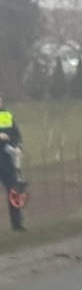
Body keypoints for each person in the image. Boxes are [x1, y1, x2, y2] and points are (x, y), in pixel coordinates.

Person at [0, 92, 25, 231]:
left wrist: (17, 145)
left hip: (8, 160)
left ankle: (17, 225)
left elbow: (16, 135)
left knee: (14, 191)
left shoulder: (6, 115)